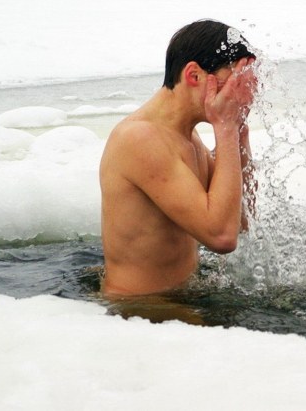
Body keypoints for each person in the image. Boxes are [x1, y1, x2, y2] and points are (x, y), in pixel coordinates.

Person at [100, 19, 258, 297]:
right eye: (233, 81)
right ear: (194, 75)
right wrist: (226, 128)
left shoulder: (188, 138)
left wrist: (239, 128)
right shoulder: (139, 139)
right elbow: (221, 236)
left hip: (178, 301)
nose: (238, 93)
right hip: (140, 310)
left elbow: (240, 221)